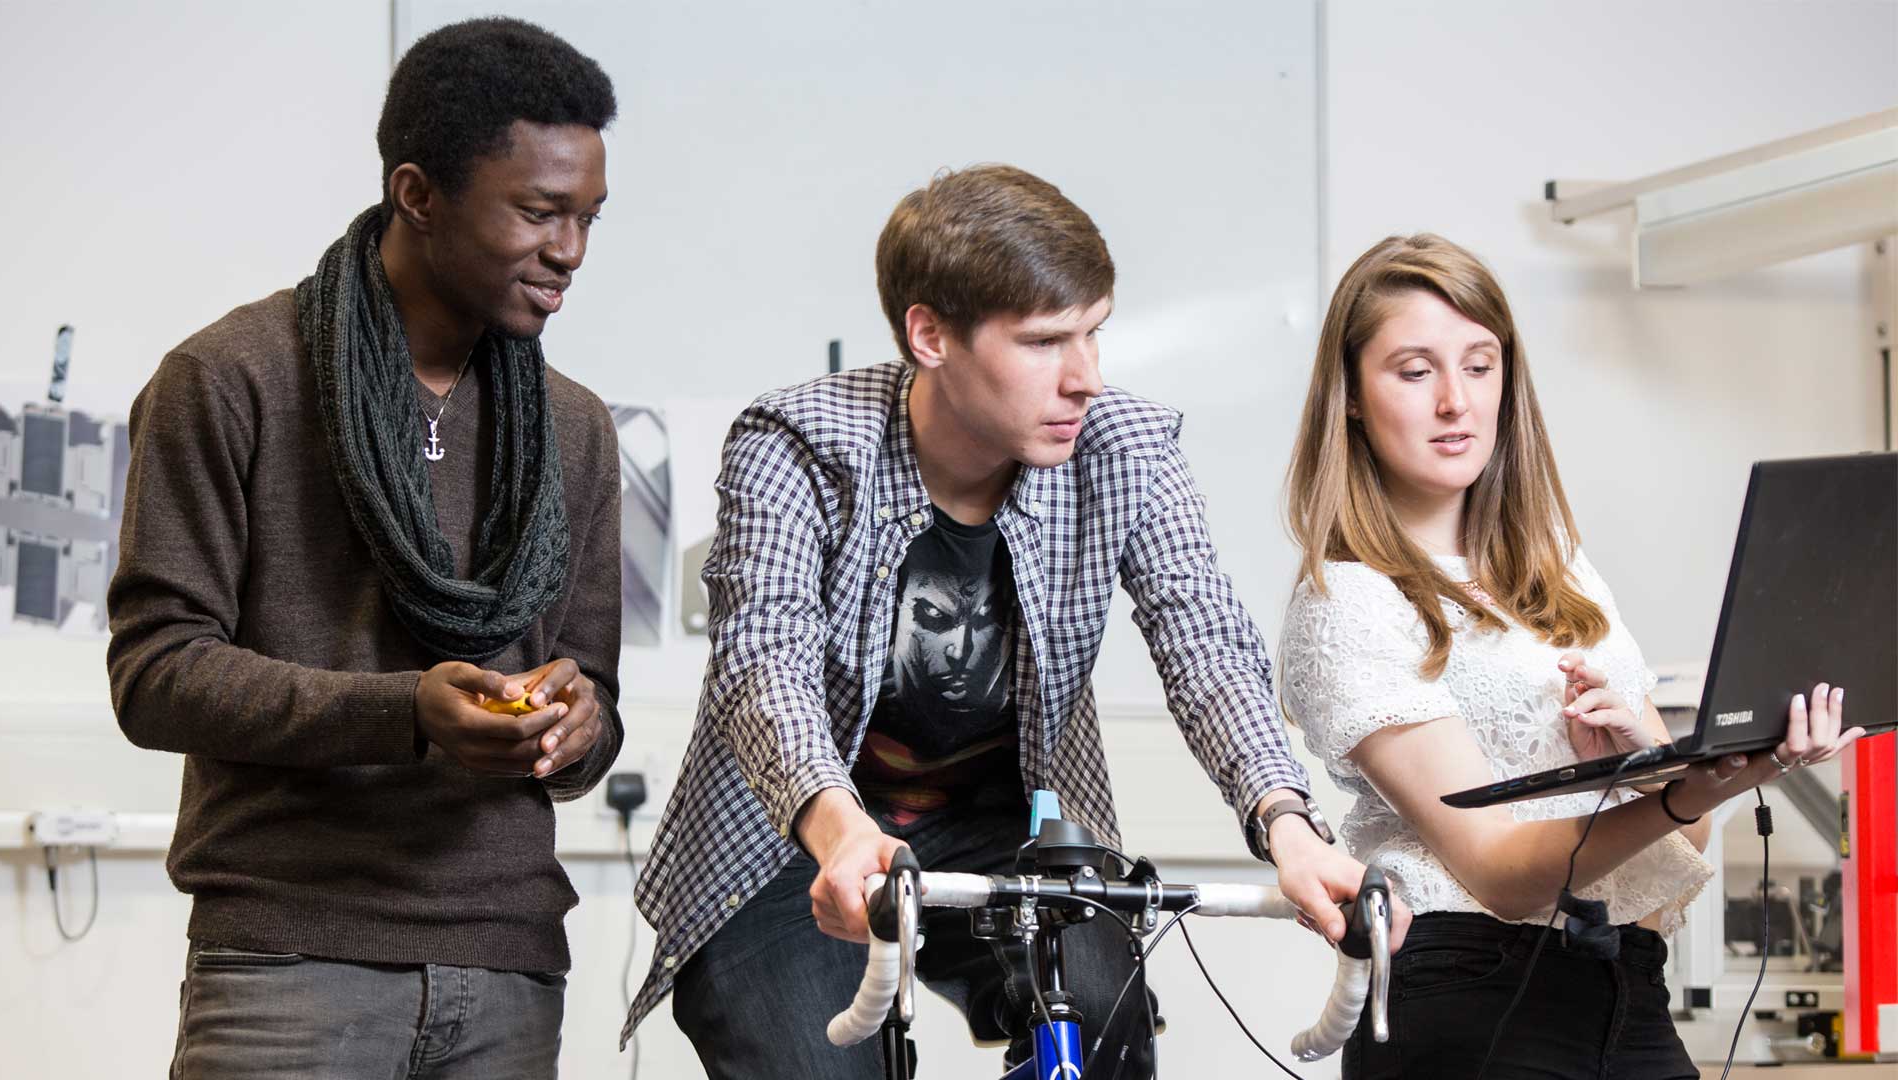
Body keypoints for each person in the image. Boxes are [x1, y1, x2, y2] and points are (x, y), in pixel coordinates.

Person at [623, 164, 1408, 1078]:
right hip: (803, 843)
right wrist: (841, 835)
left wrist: (1288, 825)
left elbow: (1207, 647)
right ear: (930, 335)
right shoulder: (799, 446)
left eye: (1094, 334)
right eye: (1044, 342)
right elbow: (765, 665)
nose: (1085, 378)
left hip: (1010, 828)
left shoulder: (1125, 448)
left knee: (1106, 1028)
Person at [107, 18, 624, 1078]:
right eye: (537, 211)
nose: (569, 251)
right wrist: (406, 715)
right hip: (288, 956)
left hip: (510, 962)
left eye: (587, 217)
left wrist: (576, 726)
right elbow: (154, 673)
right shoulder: (231, 379)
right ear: (418, 193)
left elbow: (596, 693)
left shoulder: (573, 427)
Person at [1276, 233, 1864, 1078]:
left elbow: (1674, 839)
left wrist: (1696, 771)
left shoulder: (1561, 571)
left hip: (1628, 984)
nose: (1456, 401)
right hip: (1473, 992)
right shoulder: (1350, 602)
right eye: (1415, 371)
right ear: (1354, 399)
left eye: (1480, 366)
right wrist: (1678, 790)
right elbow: (1503, 878)